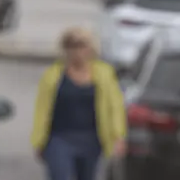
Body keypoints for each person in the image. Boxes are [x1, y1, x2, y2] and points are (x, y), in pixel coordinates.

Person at [31, 26, 127, 180]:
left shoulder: (104, 74)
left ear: (90, 49)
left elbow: (114, 107)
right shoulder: (53, 75)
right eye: (71, 46)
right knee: (59, 175)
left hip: (91, 139)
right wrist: (39, 140)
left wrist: (118, 136)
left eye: (81, 46)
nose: (77, 52)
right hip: (59, 138)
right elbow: (42, 109)